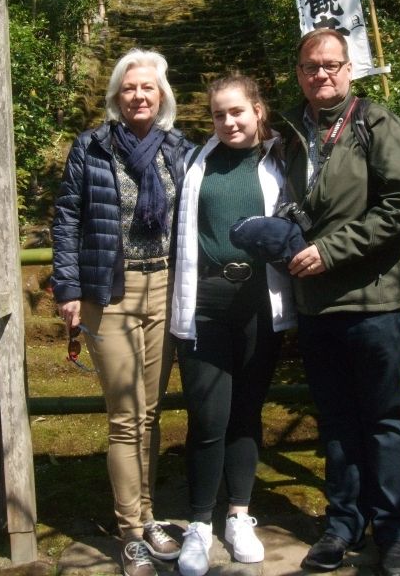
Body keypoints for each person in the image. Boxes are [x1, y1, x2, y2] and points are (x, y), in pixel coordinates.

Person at [281, 28, 400, 576]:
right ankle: (342, 525)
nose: (323, 74)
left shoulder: (375, 123)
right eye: (312, 66)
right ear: (299, 73)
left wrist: (331, 251)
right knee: (336, 420)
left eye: (333, 64)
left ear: (350, 69)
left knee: (384, 418)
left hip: (374, 299)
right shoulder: (292, 133)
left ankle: (393, 533)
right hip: (316, 304)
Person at [51, 49, 193, 576]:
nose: (139, 95)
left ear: (162, 96)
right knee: (126, 416)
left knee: (151, 414)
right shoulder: (90, 147)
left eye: (148, 88)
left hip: (165, 285)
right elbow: (66, 218)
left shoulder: (179, 149)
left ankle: (149, 515)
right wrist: (67, 289)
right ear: (116, 95)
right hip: (108, 291)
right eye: (129, 87)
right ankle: (132, 532)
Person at [171, 73, 296, 576]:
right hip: (204, 305)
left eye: (237, 112)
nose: (228, 122)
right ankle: (199, 524)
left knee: (247, 414)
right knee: (208, 418)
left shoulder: (282, 161)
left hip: (260, 306)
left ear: (257, 110)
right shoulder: (193, 162)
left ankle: (239, 514)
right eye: (219, 114)